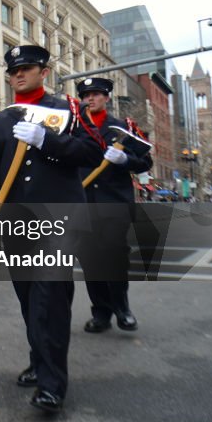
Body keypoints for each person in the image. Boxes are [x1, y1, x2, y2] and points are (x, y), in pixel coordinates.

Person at [0, 45, 101, 415]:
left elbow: (94, 151)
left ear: (44, 71)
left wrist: (50, 141)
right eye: (13, 71)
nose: (19, 75)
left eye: (27, 68)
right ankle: (40, 360)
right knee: (29, 300)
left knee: (51, 300)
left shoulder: (67, 110)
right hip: (15, 224)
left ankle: (52, 385)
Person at [75, 77, 153, 333]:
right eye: (86, 95)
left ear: (107, 98)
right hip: (83, 203)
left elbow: (145, 162)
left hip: (114, 204)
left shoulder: (122, 128)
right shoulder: (75, 129)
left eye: (96, 94)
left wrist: (124, 159)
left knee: (115, 257)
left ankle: (122, 309)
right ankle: (100, 313)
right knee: (90, 260)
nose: (91, 99)